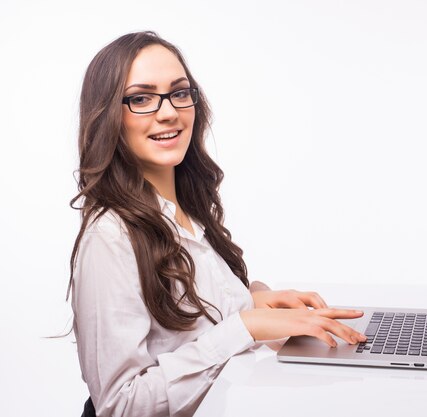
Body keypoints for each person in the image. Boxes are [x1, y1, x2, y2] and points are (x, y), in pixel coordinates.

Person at [69, 31, 367, 417]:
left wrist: (254, 304)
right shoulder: (109, 237)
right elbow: (120, 404)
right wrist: (244, 326)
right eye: (141, 98)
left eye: (179, 92)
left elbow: (182, 334)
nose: (168, 112)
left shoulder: (188, 212)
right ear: (109, 116)